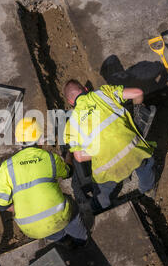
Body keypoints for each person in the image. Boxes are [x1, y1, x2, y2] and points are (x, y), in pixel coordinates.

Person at [0, 117, 88, 249]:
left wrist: (20, 208)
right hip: (60, 215)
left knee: (51, 231)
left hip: (31, 228)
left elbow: (0, 203)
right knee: (71, 207)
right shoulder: (49, 158)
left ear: (18, 140)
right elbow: (68, 172)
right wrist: (68, 157)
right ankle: (81, 241)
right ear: (39, 139)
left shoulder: (6, 167)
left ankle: (64, 241)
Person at [63, 79, 156, 214]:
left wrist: (99, 152)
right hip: (132, 149)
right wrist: (137, 113)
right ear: (85, 89)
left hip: (107, 168)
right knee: (145, 164)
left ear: (70, 103)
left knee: (102, 189)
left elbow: (79, 157)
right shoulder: (103, 93)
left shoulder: (70, 125)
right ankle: (148, 190)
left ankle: (100, 207)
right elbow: (137, 93)